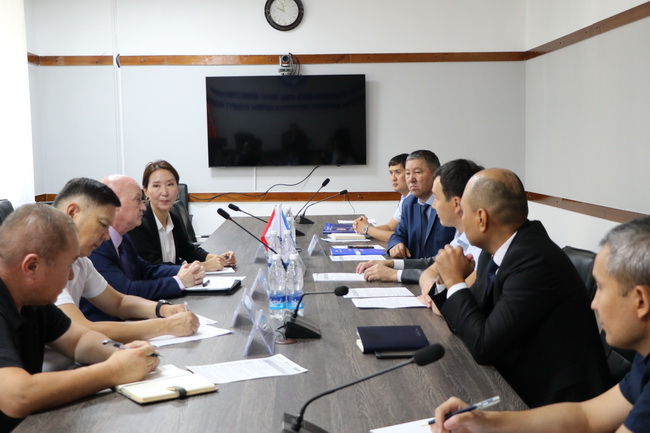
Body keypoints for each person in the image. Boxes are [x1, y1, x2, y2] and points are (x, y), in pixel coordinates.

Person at [430, 216, 650, 433]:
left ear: (641, 301)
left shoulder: (532, 257)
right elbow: (587, 416)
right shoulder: (645, 361)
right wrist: (483, 421)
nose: (594, 303)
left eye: (601, 287)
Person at [431, 168, 610, 408]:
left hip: (558, 401)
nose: (461, 219)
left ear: (481, 218)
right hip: (516, 379)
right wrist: (448, 280)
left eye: (464, 211)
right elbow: (469, 323)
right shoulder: (493, 252)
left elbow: (483, 345)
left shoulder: (533, 260)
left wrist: (454, 280)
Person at [0, 204, 159, 432]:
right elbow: (17, 396)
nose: (71, 275)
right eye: (67, 266)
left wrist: (122, 353)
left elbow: (79, 340)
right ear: (32, 266)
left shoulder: (31, 298)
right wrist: (113, 370)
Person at [46, 178, 198, 370]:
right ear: (73, 213)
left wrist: (163, 309)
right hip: (54, 375)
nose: (107, 236)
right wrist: (166, 326)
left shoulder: (81, 261)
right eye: (103, 224)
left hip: (75, 366)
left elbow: (119, 303)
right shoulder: (44, 264)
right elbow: (82, 330)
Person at [85, 175, 205, 320]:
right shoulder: (96, 244)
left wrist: (184, 271)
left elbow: (145, 270)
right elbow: (126, 292)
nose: (143, 207)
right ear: (113, 204)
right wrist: (179, 281)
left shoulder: (123, 237)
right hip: (106, 326)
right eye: (138, 200)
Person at [356, 159, 483, 293]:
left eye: (437, 198)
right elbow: (434, 264)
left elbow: (454, 289)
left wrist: (396, 274)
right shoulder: (410, 203)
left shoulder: (480, 246)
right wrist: (392, 263)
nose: (433, 205)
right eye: (407, 173)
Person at [129, 160, 235, 271]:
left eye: (170, 184)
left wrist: (217, 258)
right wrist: (205, 266)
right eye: (156, 186)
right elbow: (153, 268)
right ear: (146, 191)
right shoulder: (139, 223)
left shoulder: (173, 217)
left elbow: (188, 251)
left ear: (177, 189)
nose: (164, 192)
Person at [386, 150, 455, 259]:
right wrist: (396, 244)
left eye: (417, 172)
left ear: (435, 174)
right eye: (407, 173)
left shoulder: (449, 204)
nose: (411, 179)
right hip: (412, 267)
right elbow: (398, 234)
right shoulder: (409, 203)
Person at [352, 153, 410, 242]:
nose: (393, 178)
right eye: (391, 173)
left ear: (409, 173)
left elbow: (402, 238)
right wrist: (362, 228)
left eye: (398, 172)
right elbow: (389, 227)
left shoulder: (416, 200)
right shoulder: (404, 198)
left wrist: (367, 228)